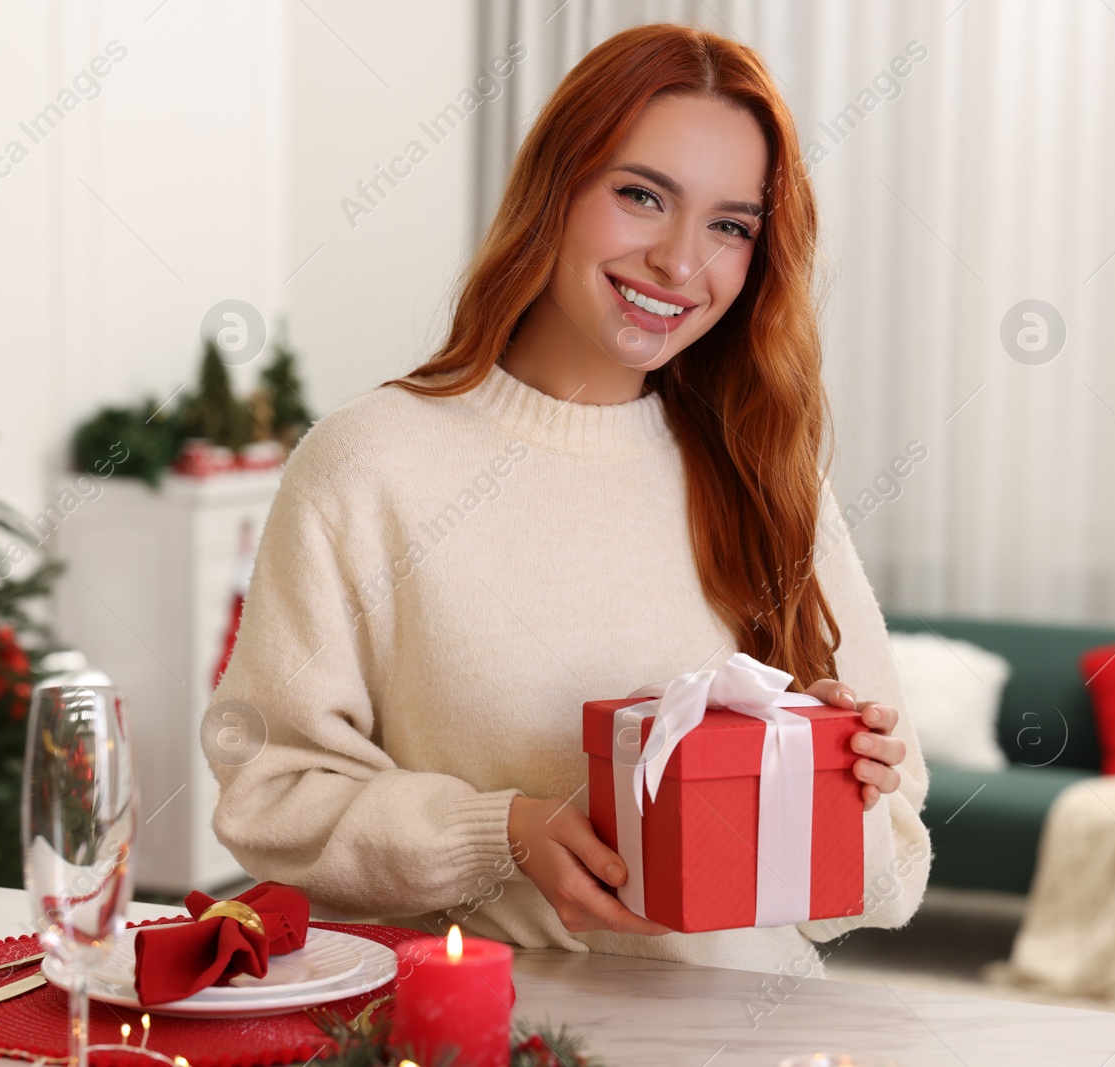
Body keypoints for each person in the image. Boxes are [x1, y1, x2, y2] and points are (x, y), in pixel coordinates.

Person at [200, 22, 929, 975]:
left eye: (729, 226)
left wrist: (830, 784)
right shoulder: (368, 463)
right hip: (489, 1027)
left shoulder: (765, 472)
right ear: (554, 191)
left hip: (756, 1031)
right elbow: (270, 790)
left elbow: (891, 877)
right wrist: (498, 832)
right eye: (641, 196)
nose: (679, 262)